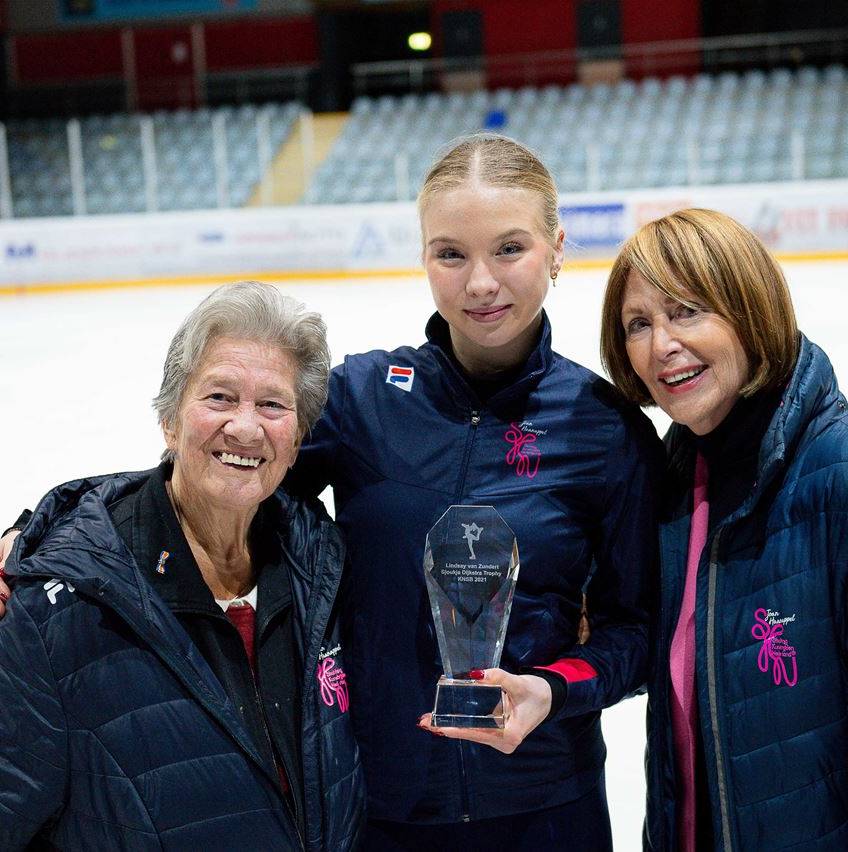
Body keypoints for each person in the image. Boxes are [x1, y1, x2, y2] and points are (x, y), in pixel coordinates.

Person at [0, 135, 660, 850]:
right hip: (379, 808)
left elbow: (637, 633)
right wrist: (35, 536)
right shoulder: (363, 399)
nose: (480, 284)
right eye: (450, 253)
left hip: (548, 810)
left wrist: (553, 690)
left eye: (509, 249)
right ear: (423, 256)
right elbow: (203, 479)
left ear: (557, 248)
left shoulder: (604, 428)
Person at [0, 282, 365, 851]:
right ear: (169, 420)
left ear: (297, 442)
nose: (246, 428)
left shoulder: (321, 572)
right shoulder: (60, 611)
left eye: (272, 404)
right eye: (219, 397)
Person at [599, 208, 848, 850]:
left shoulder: (835, 471)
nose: (661, 346)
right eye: (638, 324)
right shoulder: (676, 478)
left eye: (687, 311)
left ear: (747, 308)